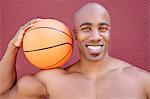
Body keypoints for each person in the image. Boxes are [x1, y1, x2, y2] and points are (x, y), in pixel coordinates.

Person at [0, 2, 150, 99]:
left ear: (109, 31)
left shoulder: (142, 81)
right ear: (75, 34)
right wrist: (12, 48)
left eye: (102, 28)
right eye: (86, 28)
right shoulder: (51, 81)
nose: (95, 36)